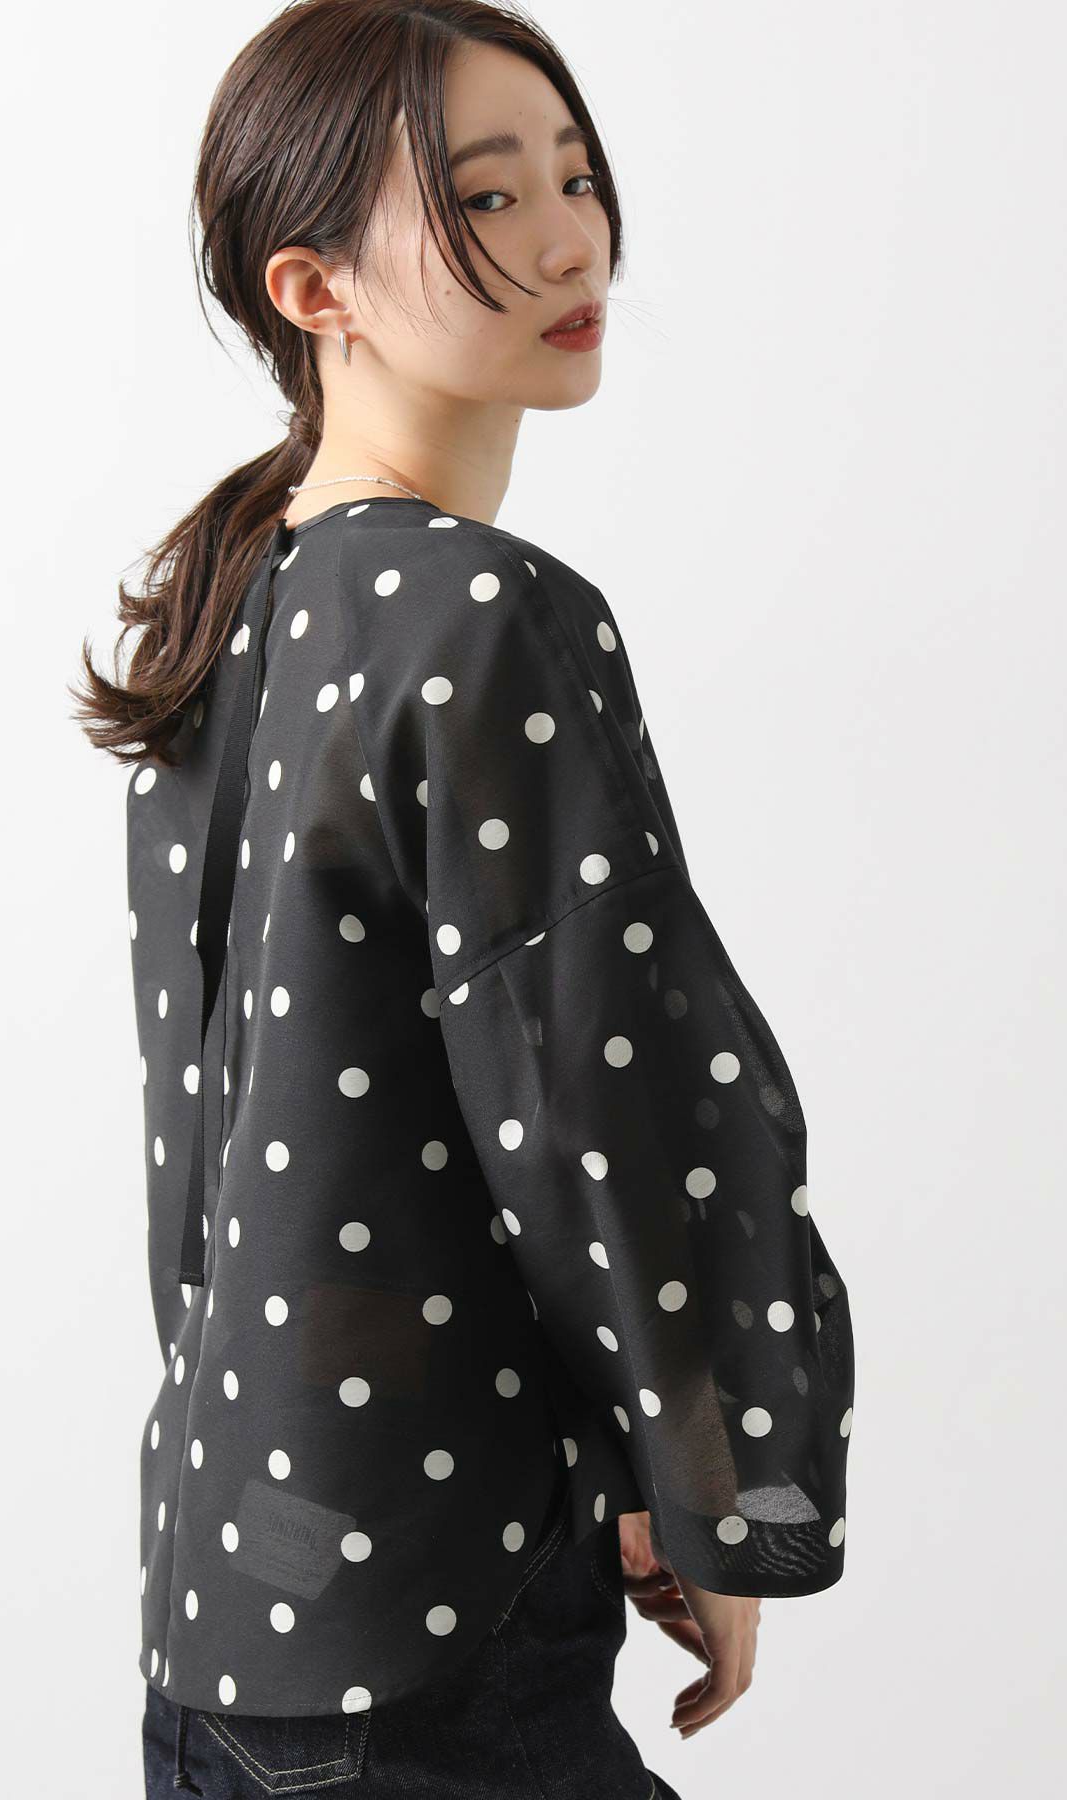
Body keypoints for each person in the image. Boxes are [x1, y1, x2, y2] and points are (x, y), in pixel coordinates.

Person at [71, 3, 855, 1794]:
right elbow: (613, 1109)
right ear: (311, 287)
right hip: (439, 1646)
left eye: (577, 178)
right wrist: (715, 1485)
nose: (571, 241)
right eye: (486, 197)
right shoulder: (475, 615)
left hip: (236, 1619)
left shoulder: (227, 616)